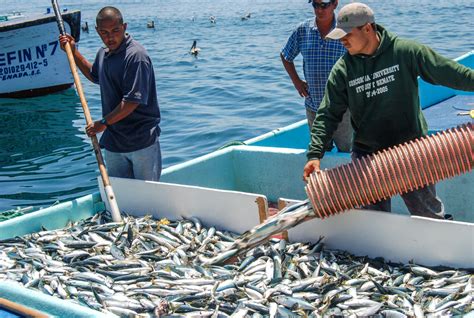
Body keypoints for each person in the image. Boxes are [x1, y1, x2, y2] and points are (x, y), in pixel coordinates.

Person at [303, 2, 474, 218]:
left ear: (367, 28)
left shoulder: (405, 52)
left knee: (429, 217)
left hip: (412, 150)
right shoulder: (343, 70)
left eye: (347, 35)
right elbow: (328, 114)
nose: (342, 40)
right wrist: (314, 154)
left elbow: (451, 73)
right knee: (375, 223)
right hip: (368, 157)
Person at [59, 6, 162, 181]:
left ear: (125, 27)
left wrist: (103, 123)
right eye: (104, 32)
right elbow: (94, 75)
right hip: (115, 142)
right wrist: (74, 52)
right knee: (122, 198)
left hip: (141, 142)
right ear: (98, 32)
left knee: (147, 201)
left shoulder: (136, 56)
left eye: (115, 30)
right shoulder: (103, 54)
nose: (110, 37)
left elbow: (131, 102)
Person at [281, 0, 352, 152]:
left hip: (343, 109)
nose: (319, 10)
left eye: (324, 5)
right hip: (314, 108)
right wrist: (297, 82)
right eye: (315, 5)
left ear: (335, 4)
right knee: (320, 153)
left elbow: (362, 60)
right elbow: (286, 56)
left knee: (348, 153)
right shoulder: (302, 30)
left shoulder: (345, 31)